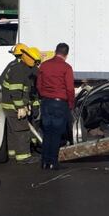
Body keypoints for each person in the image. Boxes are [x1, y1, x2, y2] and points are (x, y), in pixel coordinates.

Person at [0, 44, 42, 163]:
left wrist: (26, 104)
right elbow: (15, 91)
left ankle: (13, 153)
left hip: (12, 104)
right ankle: (24, 156)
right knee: (22, 129)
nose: (36, 65)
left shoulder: (22, 68)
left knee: (13, 130)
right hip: (13, 105)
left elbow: (25, 90)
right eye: (36, 62)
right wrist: (20, 107)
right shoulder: (19, 70)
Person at [36, 42, 75, 170]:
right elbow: (70, 89)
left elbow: (39, 85)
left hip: (46, 102)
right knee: (56, 134)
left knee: (47, 132)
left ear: (55, 51)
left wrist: (44, 95)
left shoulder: (44, 65)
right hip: (60, 103)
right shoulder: (66, 68)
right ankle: (53, 161)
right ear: (66, 54)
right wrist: (70, 104)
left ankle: (44, 162)